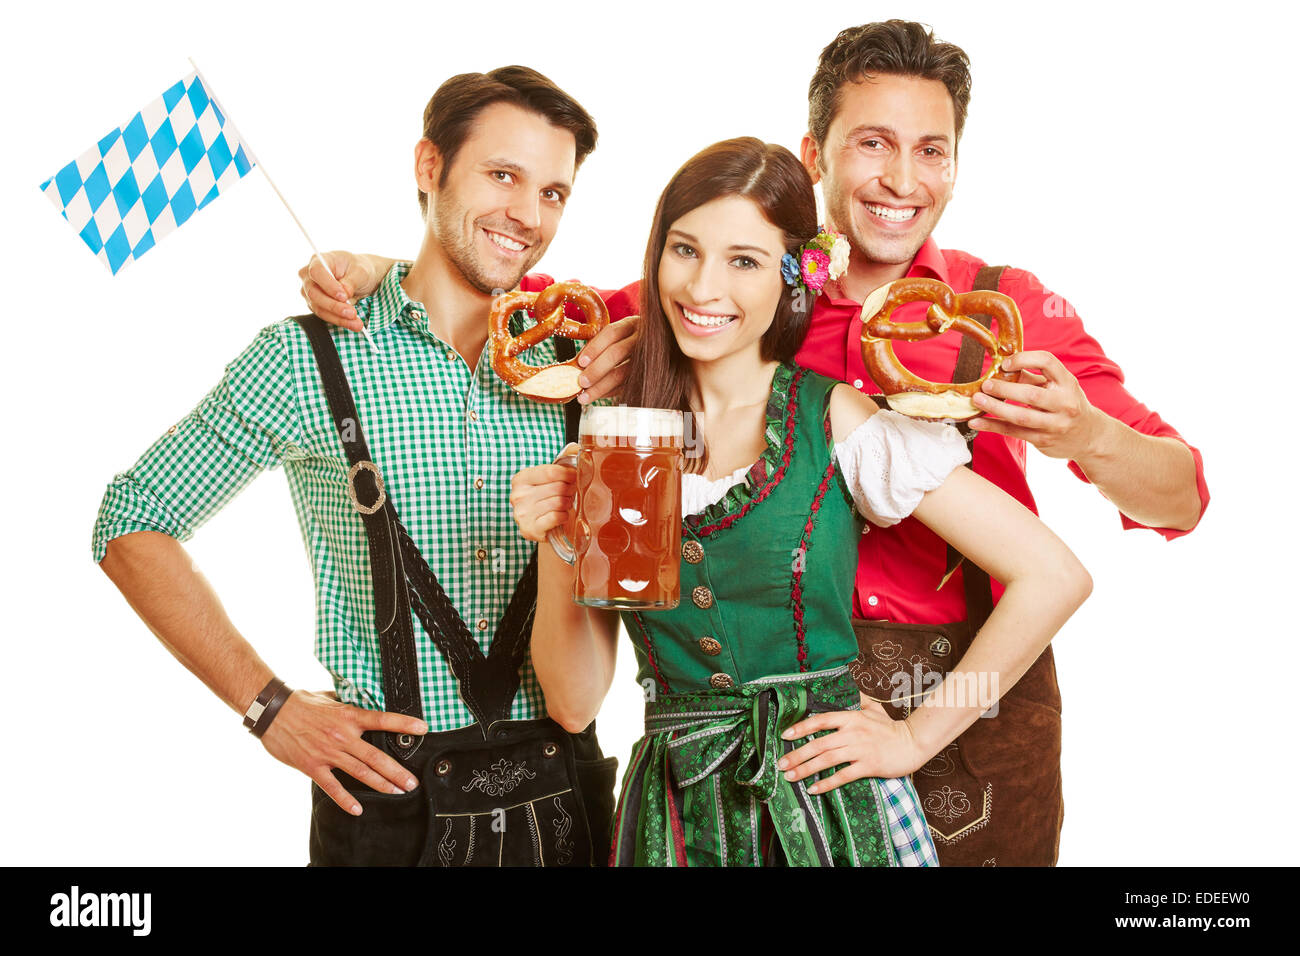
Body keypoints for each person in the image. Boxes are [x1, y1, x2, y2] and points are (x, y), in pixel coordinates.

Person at [296, 20, 1209, 866]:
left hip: (970, 708)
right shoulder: (667, 374)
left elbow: (1174, 501)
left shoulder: (996, 315)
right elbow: (514, 302)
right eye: (872, 143)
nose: (901, 179)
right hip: (690, 795)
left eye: (930, 150)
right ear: (816, 159)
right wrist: (381, 270)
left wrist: (1084, 432)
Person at [92, 66, 640, 866]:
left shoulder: (585, 368)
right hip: (388, 807)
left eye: (554, 192)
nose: (528, 214)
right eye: (502, 175)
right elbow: (130, 519)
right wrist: (268, 708)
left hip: (570, 801)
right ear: (429, 167)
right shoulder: (304, 358)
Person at [509, 137, 1091, 867]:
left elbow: (1055, 577)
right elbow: (574, 702)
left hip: (835, 816)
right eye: (684, 250)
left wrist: (916, 736)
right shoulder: (621, 442)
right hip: (676, 822)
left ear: (794, 275)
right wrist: (557, 544)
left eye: (743, 261)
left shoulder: (835, 420)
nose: (702, 288)